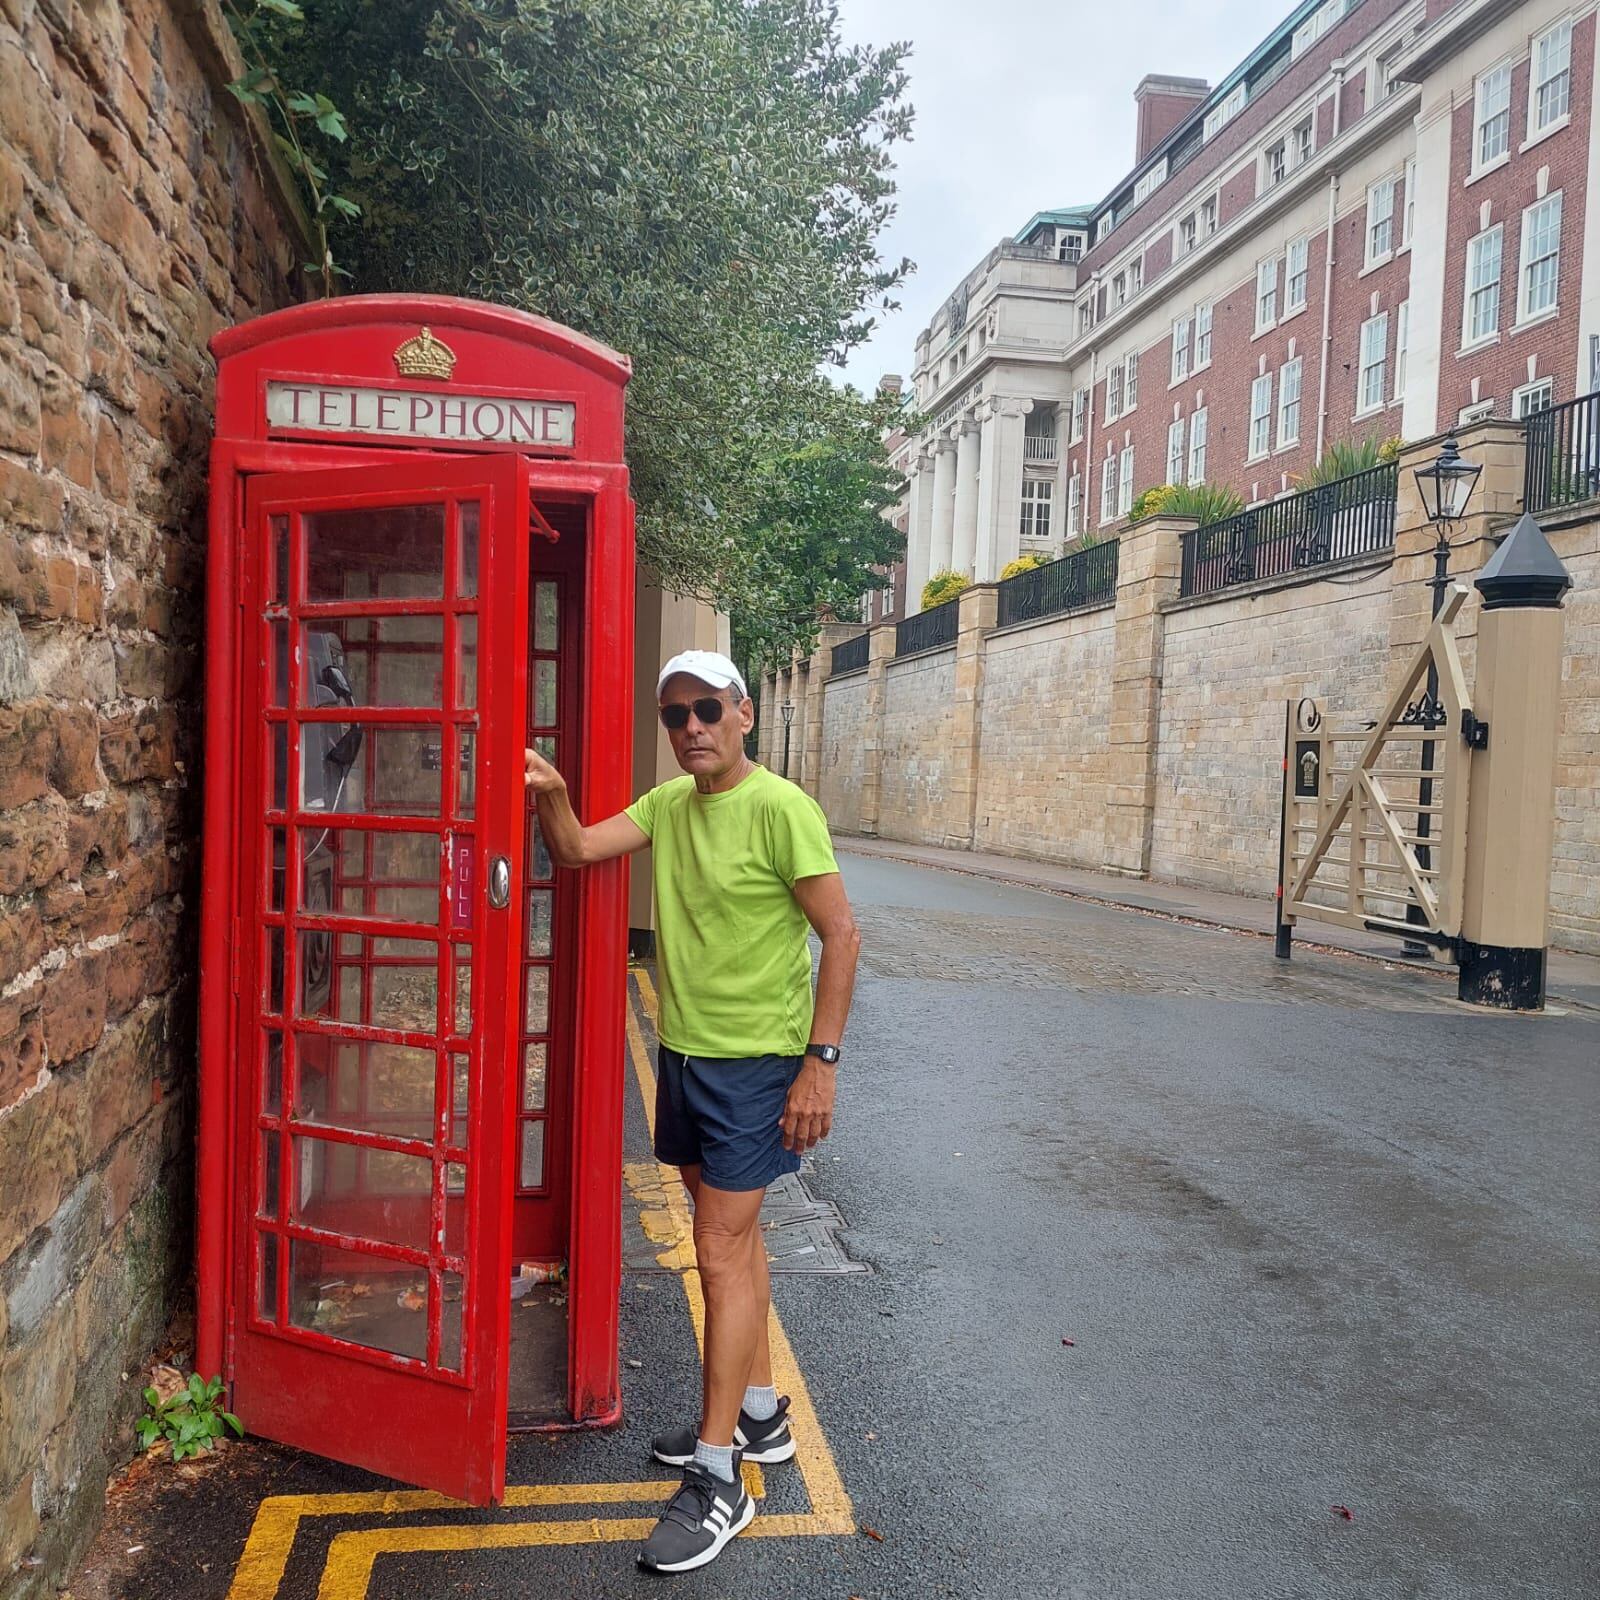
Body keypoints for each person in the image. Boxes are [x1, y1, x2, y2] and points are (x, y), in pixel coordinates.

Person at [523, 648, 860, 1574]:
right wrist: (551, 788)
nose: (691, 728)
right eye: (675, 716)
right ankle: (759, 1418)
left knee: (717, 1248)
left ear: (744, 714)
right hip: (686, 1054)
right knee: (735, 1245)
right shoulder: (668, 806)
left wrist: (819, 1066)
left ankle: (719, 1479)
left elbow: (841, 932)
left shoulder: (782, 809)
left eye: (707, 709)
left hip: (758, 1064)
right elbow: (578, 848)